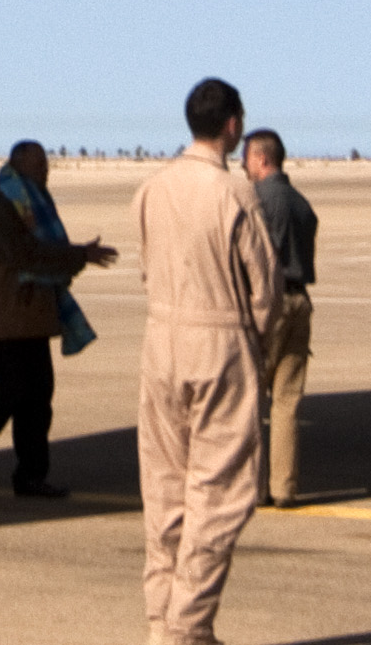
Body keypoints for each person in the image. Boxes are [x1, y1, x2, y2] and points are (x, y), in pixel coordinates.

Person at [132, 80, 284, 645]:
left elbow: (148, 267)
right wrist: (253, 347)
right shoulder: (234, 194)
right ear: (232, 126)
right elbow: (264, 291)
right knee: (217, 497)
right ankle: (186, 629)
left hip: (162, 342)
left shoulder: (151, 188)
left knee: (164, 491)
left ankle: (162, 620)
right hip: (219, 341)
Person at [0, 140, 117, 498]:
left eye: (46, 165)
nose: (45, 171)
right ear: (18, 165)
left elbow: (40, 252)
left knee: (37, 395)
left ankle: (31, 476)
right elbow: (27, 254)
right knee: (11, 390)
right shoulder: (3, 204)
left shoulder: (32, 203)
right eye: (38, 165)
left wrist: (76, 255)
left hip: (30, 314)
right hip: (5, 313)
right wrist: (78, 255)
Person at [242, 129, 317, 508]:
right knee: (288, 400)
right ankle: (284, 487)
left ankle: (254, 487)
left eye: (246, 159)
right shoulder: (302, 204)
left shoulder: (257, 200)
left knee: (252, 396)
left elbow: (251, 257)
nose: (243, 166)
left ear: (260, 159)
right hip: (300, 300)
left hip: (269, 303)